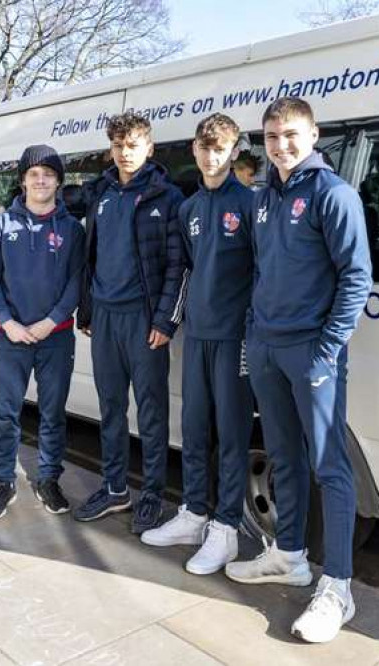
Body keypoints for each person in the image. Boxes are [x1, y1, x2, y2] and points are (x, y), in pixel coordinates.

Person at [224, 97, 373, 643]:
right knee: (284, 456)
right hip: (266, 347)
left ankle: (338, 587)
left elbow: (356, 278)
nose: (280, 145)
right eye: (270, 136)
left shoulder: (333, 195)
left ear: (313, 136)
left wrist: (327, 348)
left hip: (312, 351)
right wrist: (252, 335)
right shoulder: (265, 198)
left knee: (330, 467)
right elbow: (262, 272)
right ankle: (288, 555)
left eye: (290, 135)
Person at [140, 113, 255, 575]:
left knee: (231, 434)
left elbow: (264, 274)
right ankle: (193, 513)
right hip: (197, 335)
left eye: (221, 149)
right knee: (193, 428)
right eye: (205, 148)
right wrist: (169, 320)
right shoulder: (187, 209)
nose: (212, 156)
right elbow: (181, 271)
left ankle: (225, 530)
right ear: (194, 150)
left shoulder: (250, 205)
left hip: (235, 338)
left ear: (234, 152)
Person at [73, 112, 186, 534]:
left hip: (144, 321)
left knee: (152, 412)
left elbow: (177, 267)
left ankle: (153, 493)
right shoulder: (100, 193)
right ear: (111, 149)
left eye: (134, 144)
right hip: (104, 317)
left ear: (150, 147)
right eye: (119, 146)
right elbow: (91, 256)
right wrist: (86, 311)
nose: (125, 153)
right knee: (110, 409)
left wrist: (165, 321)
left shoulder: (167, 197)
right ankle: (115, 488)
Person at [0, 144, 85, 519]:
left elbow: (77, 280)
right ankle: (3, 482)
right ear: (23, 181)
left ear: (58, 181)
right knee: (5, 413)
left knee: (53, 413)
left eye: (48, 174)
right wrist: (8, 322)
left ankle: (48, 479)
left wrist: (50, 321)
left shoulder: (72, 229)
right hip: (9, 337)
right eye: (33, 174)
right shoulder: (2, 223)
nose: (41, 180)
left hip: (54, 337)